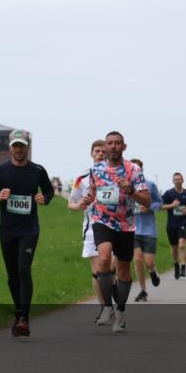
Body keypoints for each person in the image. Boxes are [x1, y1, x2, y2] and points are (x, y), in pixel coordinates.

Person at [0, 129, 55, 337]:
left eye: (22, 145)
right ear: (10, 147)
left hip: (29, 229)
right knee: (12, 275)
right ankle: (18, 311)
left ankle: (24, 318)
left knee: (24, 270)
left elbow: (49, 191)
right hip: (7, 230)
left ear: (27, 147)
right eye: (15, 145)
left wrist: (44, 198)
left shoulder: (38, 171)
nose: (19, 149)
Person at [77, 131, 150, 333]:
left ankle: (121, 311)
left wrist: (131, 191)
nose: (113, 146)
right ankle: (107, 307)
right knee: (103, 258)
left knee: (124, 270)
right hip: (102, 221)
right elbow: (93, 192)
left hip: (125, 224)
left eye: (118, 143)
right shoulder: (95, 169)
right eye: (110, 143)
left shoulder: (133, 170)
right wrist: (87, 200)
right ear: (105, 147)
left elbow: (146, 201)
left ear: (124, 147)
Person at [68, 139, 108, 319]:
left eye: (103, 151)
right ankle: (105, 308)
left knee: (110, 266)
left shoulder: (116, 175)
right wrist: (80, 206)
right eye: (97, 151)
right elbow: (71, 203)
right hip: (91, 228)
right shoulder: (81, 179)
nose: (100, 154)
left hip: (113, 226)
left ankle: (112, 296)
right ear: (91, 154)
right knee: (97, 268)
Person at [129, 158, 162, 302]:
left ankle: (153, 271)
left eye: (138, 168)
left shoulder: (150, 185)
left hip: (149, 230)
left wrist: (149, 207)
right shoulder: (125, 186)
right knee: (137, 259)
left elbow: (159, 203)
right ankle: (143, 290)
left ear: (141, 170)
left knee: (148, 262)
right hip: (133, 229)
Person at [161, 172, 186, 279]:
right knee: (174, 247)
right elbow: (160, 206)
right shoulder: (168, 193)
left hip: (183, 223)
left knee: (182, 244)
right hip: (171, 224)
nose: (177, 181)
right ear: (173, 181)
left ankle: (183, 266)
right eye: (175, 179)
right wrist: (172, 205)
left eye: (179, 179)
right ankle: (176, 264)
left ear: (183, 180)